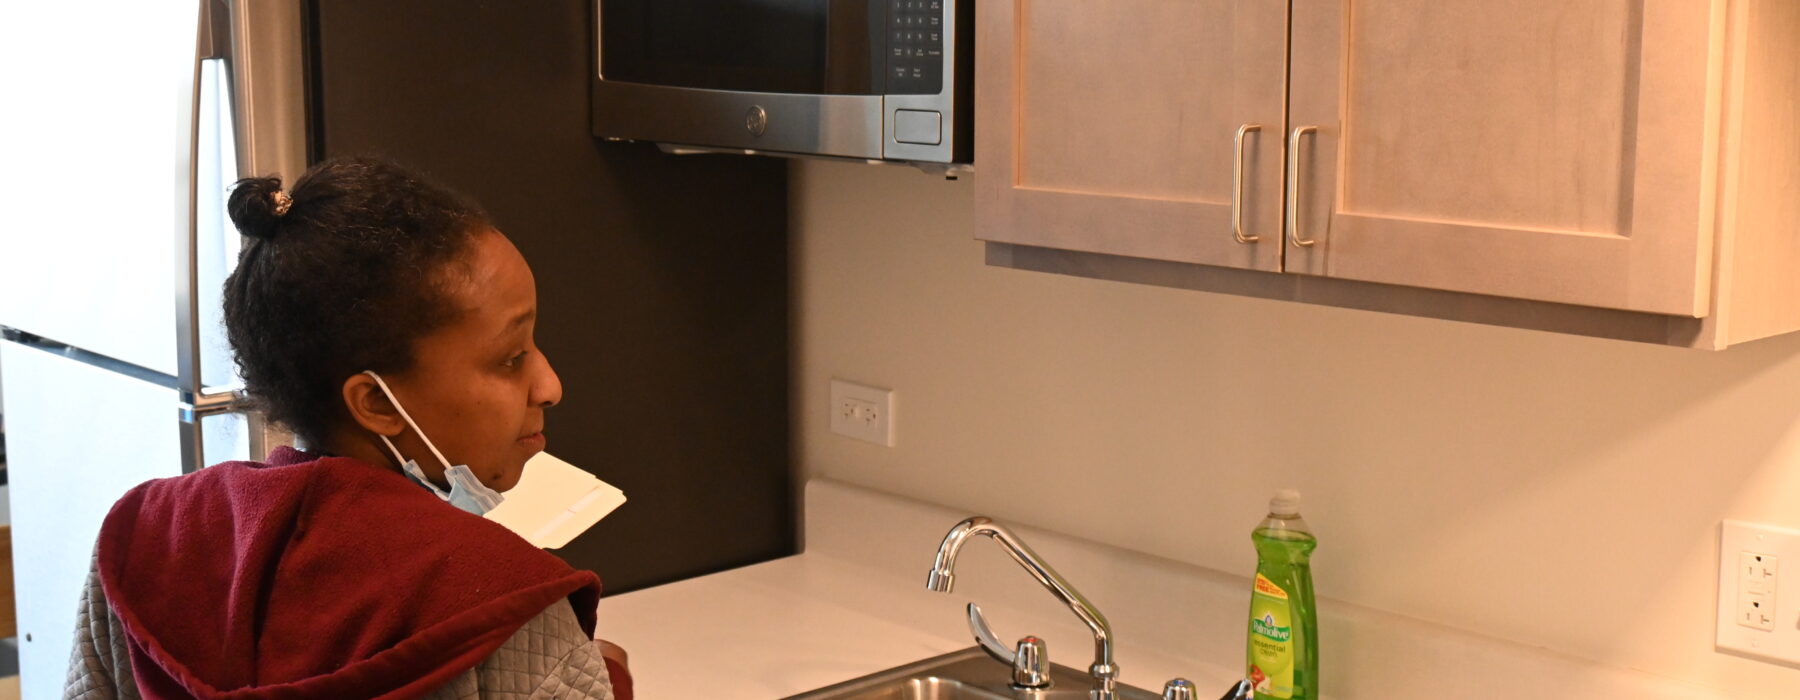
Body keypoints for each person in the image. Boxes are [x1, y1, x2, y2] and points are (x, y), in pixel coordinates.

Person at [62, 158, 631, 700]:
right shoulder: (511, 608)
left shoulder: (144, 540)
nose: (550, 385)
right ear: (377, 404)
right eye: (510, 357)